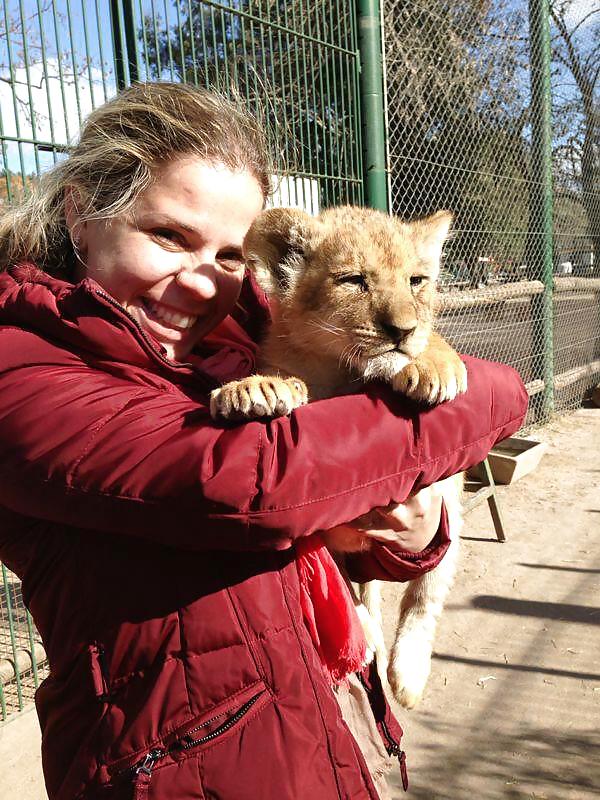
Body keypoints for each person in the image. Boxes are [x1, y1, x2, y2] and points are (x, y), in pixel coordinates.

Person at [0, 82, 527, 800]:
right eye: (167, 236)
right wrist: (490, 394)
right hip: (168, 769)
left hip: (312, 724)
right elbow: (256, 485)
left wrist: (410, 533)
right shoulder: (22, 362)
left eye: (226, 255)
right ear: (81, 214)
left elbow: (335, 509)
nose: (199, 283)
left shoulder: (233, 329)